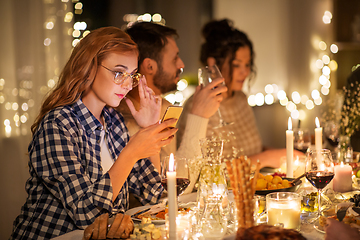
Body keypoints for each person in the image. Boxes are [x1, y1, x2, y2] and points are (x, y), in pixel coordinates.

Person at [10, 26, 176, 239]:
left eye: (132, 75)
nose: (127, 84)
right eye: (119, 73)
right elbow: (86, 213)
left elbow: (153, 194)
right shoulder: (58, 124)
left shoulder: (113, 121)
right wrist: (131, 153)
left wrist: (148, 129)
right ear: (89, 68)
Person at [116, 22, 227, 192]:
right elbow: (170, 191)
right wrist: (199, 116)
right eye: (175, 58)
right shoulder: (124, 120)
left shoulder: (164, 106)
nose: (181, 64)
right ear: (149, 66)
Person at [178, 19, 300, 168]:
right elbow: (206, 172)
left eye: (247, 64)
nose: (245, 72)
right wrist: (266, 158)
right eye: (236, 65)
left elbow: (253, 150)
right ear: (212, 63)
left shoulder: (241, 99)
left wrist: (286, 155)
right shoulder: (198, 107)